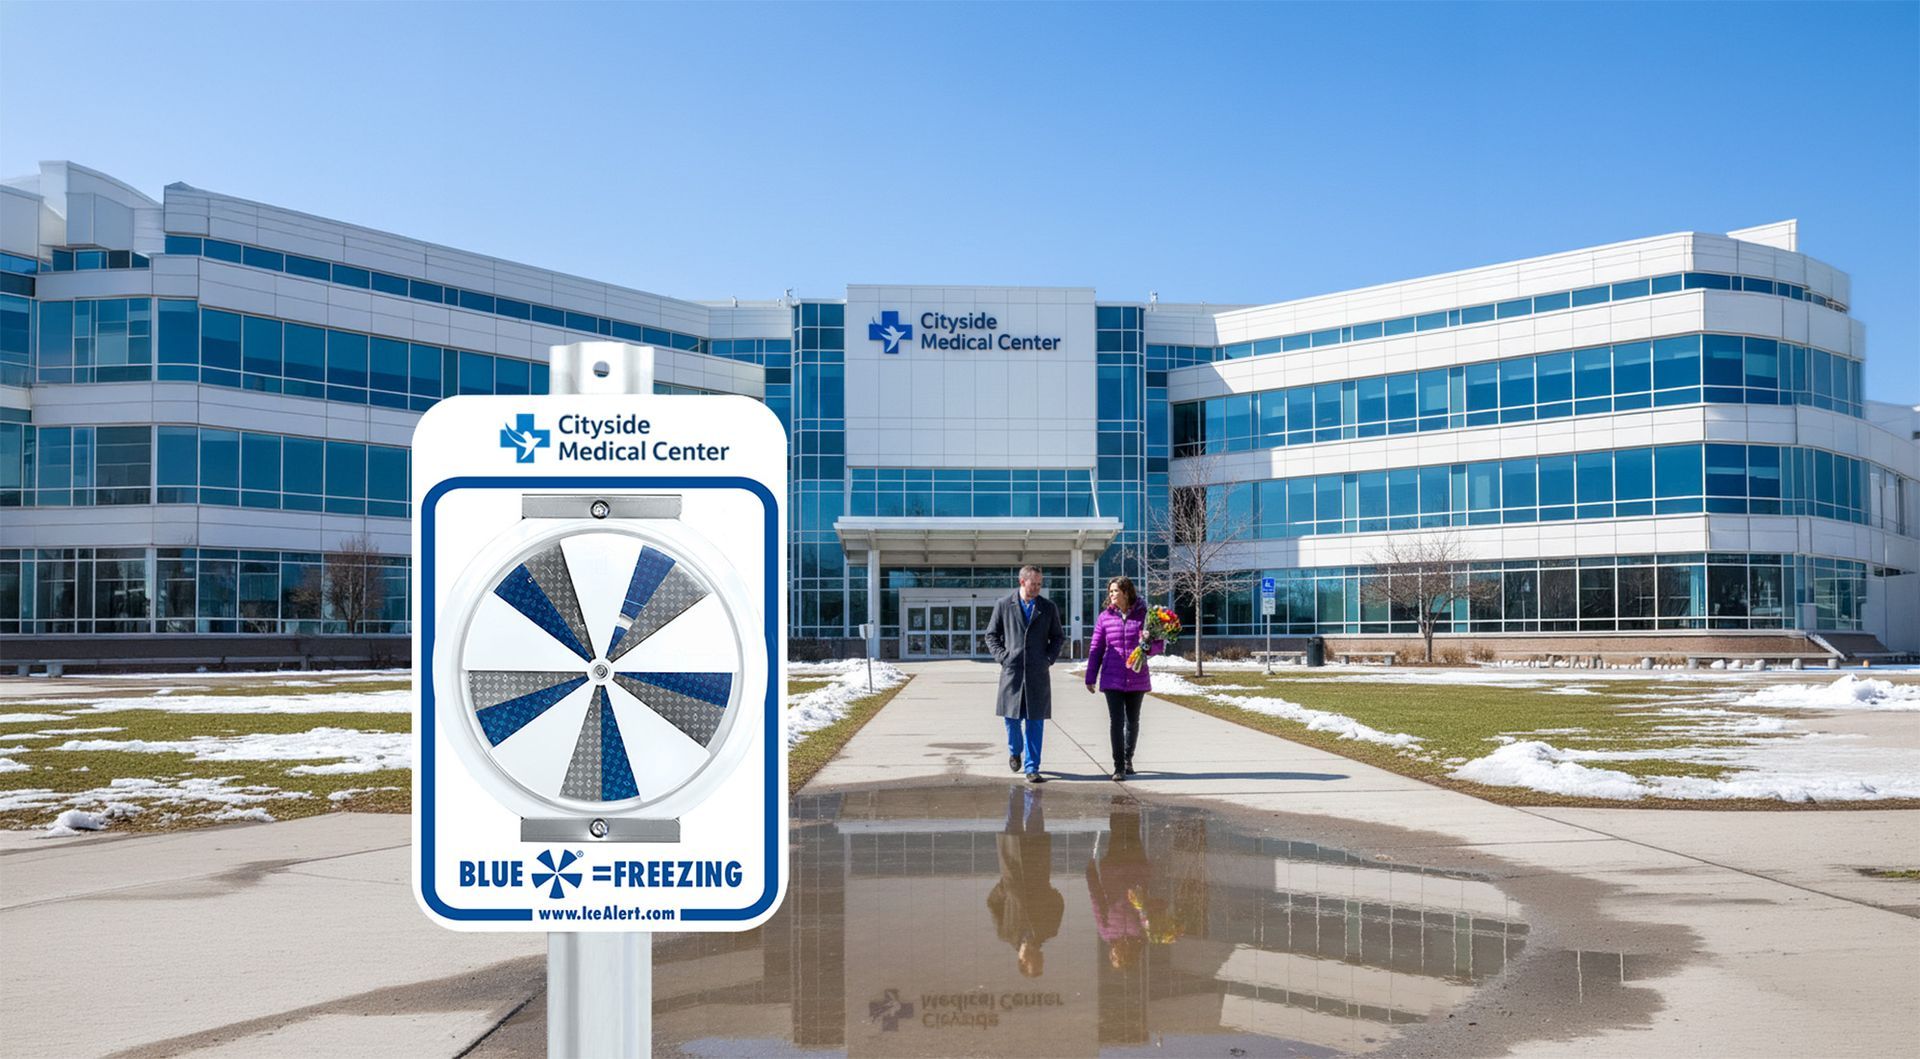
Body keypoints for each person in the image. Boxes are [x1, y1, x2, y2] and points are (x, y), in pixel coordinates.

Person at [983, 564, 1065, 783]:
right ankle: (1014, 750)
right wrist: (1003, 656)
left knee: (1035, 721)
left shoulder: (1048, 608)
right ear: (1022, 582)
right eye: (1033, 583)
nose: (1037, 587)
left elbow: (1058, 637)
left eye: (1040, 584)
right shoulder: (1003, 605)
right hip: (1012, 672)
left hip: (1038, 673)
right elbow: (991, 635)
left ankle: (1032, 767)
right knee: (1011, 719)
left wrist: (1048, 659)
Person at [1083, 576, 1162, 781]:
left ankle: (1128, 759)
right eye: (1110, 592)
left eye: (1115, 591)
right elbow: (1096, 648)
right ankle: (1118, 767)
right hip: (1112, 677)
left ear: (1126, 592)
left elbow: (1158, 645)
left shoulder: (1145, 616)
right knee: (1116, 722)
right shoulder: (1104, 617)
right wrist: (1091, 676)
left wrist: (1147, 644)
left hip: (1137, 676)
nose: (1111, 595)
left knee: (1132, 721)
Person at [986, 786, 1063, 978]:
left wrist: (1005, 887)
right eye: (1040, 961)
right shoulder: (1049, 930)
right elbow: (1058, 903)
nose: (1039, 957)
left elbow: (993, 903)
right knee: (1034, 820)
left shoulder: (1006, 933)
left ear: (1021, 960)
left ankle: (1016, 790)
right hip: (1037, 870)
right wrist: (1045, 889)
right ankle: (1032, 789)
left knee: (1013, 822)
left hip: (1012, 870)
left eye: (1035, 962)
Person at [1085, 806, 1151, 971]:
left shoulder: (1107, 934)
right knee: (1133, 832)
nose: (1114, 953)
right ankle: (1131, 804)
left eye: (1113, 956)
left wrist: (1091, 875)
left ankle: (1117, 802)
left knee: (1117, 832)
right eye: (1117, 957)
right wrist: (1145, 915)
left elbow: (1097, 902)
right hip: (1137, 869)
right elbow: (1147, 911)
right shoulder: (1142, 936)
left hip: (1113, 869)